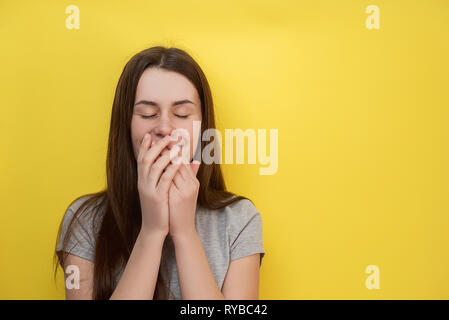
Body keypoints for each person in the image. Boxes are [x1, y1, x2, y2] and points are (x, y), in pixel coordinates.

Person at [54, 46, 266, 300]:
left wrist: (185, 232)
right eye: (148, 114)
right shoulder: (84, 220)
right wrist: (152, 232)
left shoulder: (240, 220)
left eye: (182, 114)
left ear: (202, 128)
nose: (164, 128)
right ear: (126, 126)